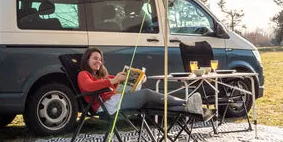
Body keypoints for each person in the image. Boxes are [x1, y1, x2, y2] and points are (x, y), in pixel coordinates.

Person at [77, 47, 207, 117]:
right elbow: (89, 86)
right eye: (95, 58)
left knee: (152, 102)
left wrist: (139, 78)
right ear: (86, 59)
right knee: (146, 94)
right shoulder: (83, 74)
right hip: (105, 106)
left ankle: (187, 108)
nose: (99, 62)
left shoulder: (103, 77)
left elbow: (119, 81)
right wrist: (114, 80)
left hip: (116, 100)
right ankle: (185, 102)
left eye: (100, 59)